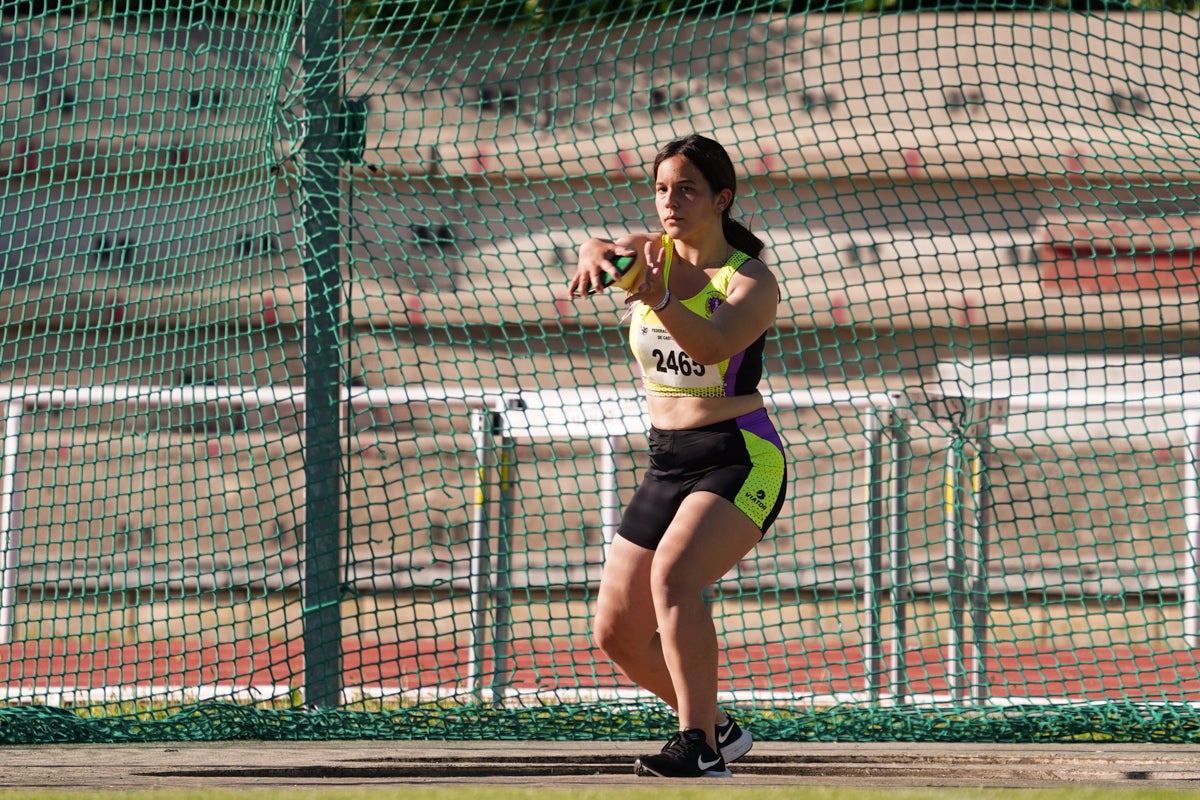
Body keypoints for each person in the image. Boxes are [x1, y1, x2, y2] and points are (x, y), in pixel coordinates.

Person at [567, 134, 788, 778]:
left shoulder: (751, 281)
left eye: (687, 189)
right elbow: (599, 247)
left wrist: (659, 298)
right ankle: (718, 727)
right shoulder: (647, 254)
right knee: (616, 632)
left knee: (674, 577)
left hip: (739, 454)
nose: (670, 201)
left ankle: (699, 746)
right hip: (667, 459)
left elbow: (714, 347)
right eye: (662, 188)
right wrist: (593, 252)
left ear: (721, 199)